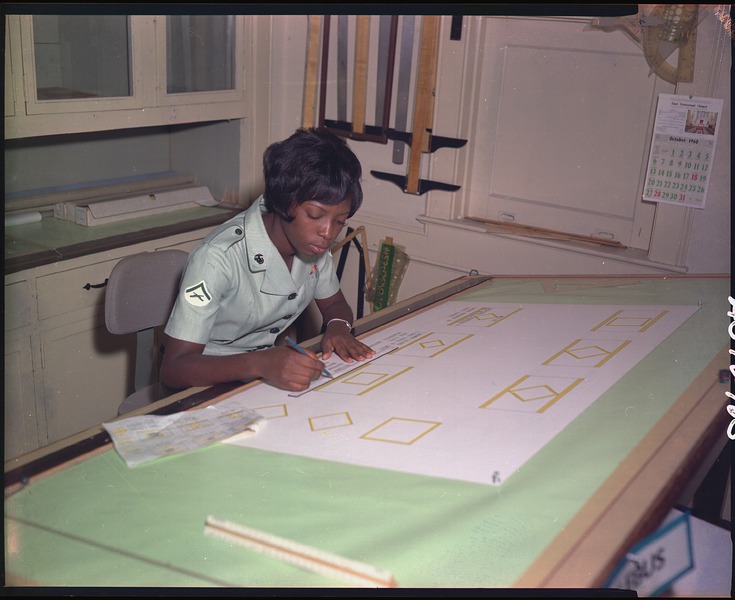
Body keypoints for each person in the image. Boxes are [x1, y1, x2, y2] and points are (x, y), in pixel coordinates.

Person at [161, 127, 375, 393]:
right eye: (315, 214)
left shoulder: (312, 244)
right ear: (285, 200)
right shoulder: (217, 258)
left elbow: (334, 304)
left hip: (259, 373)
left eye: (340, 221)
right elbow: (174, 369)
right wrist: (261, 363)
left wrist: (338, 328)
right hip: (202, 383)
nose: (328, 232)